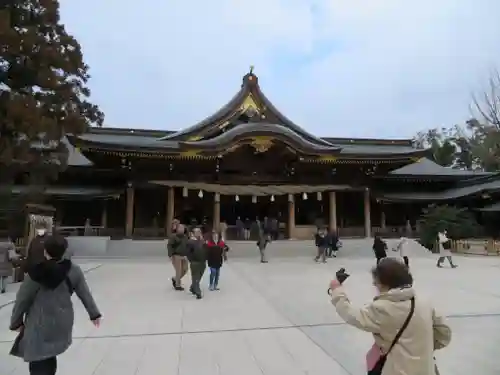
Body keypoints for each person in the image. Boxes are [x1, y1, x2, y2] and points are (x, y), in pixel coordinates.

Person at [329, 258, 451, 375]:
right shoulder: (425, 303)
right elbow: (444, 335)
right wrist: (420, 348)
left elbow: (351, 314)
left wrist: (337, 290)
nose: (374, 285)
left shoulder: (383, 308)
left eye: (376, 283)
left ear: (384, 284)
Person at [9, 235, 101, 375]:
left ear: (45, 251)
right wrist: (94, 314)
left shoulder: (36, 273)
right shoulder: (73, 270)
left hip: (39, 323)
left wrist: (16, 322)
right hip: (62, 320)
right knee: (50, 354)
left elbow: (23, 299)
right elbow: (84, 293)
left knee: (39, 358)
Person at [186, 227, 207, 299]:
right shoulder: (190, 242)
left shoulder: (202, 241)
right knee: (196, 277)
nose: (198, 233)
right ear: (193, 233)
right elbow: (188, 253)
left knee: (199, 276)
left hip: (203, 262)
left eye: (199, 232)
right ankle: (198, 292)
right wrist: (191, 260)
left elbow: (206, 249)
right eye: (197, 232)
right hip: (195, 262)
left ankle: (193, 287)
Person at [167, 223, 189, 290]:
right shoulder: (173, 236)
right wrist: (170, 255)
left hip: (185, 255)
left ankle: (175, 278)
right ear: (177, 229)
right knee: (178, 270)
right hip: (176, 255)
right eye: (180, 228)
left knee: (185, 270)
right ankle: (177, 285)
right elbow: (169, 245)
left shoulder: (186, 237)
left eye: (183, 228)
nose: (181, 229)